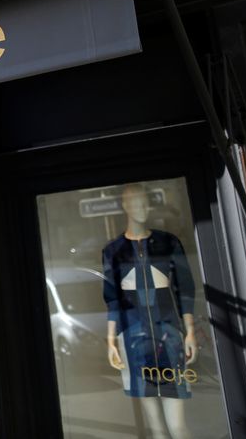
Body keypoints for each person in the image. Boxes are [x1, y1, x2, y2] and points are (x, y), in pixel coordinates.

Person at [102, 183, 196, 439]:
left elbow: (184, 288)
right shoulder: (114, 251)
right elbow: (112, 299)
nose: (140, 208)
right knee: (155, 426)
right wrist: (111, 340)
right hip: (132, 337)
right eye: (133, 202)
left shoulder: (167, 242)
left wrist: (190, 332)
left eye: (143, 202)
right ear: (124, 206)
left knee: (178, 424)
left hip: (169, 334)